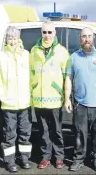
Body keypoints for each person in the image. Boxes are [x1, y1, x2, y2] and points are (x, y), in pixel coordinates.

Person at [65, 27, 96, 172]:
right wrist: (67, 99)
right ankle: (78, 159)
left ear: (93, 38)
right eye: (84, 36)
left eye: (89, 36)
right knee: (80, 134)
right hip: (80, 104)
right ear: (80, 39)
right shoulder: (73, 58)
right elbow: (68, 78)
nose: (87, 39)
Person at [0, 26, 32, 172]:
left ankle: (25, 158)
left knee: (25, 132)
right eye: (10, 38)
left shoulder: (26, 55)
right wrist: (2, 97)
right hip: (9, 104)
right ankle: (10, 161)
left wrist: (30, 93)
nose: (12, 41)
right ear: (6, 39)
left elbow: (32, 77)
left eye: (14, 38)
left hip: (25, 103)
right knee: (10, 134)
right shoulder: (1, 57)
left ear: (18, 38)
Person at [30, 21, 69, 169]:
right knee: (43, 131)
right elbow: (30, 73)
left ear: (55, 33)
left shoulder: (61, 51)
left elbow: (67, 76)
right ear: (41, 33)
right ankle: (45, 157)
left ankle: (59, 157)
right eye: (44, 32)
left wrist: (66, 96)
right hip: (39, 98)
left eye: (50, 32)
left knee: (57, 130)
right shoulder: (34, 50)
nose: (47, 35)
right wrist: (32, 88)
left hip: (54, 98)